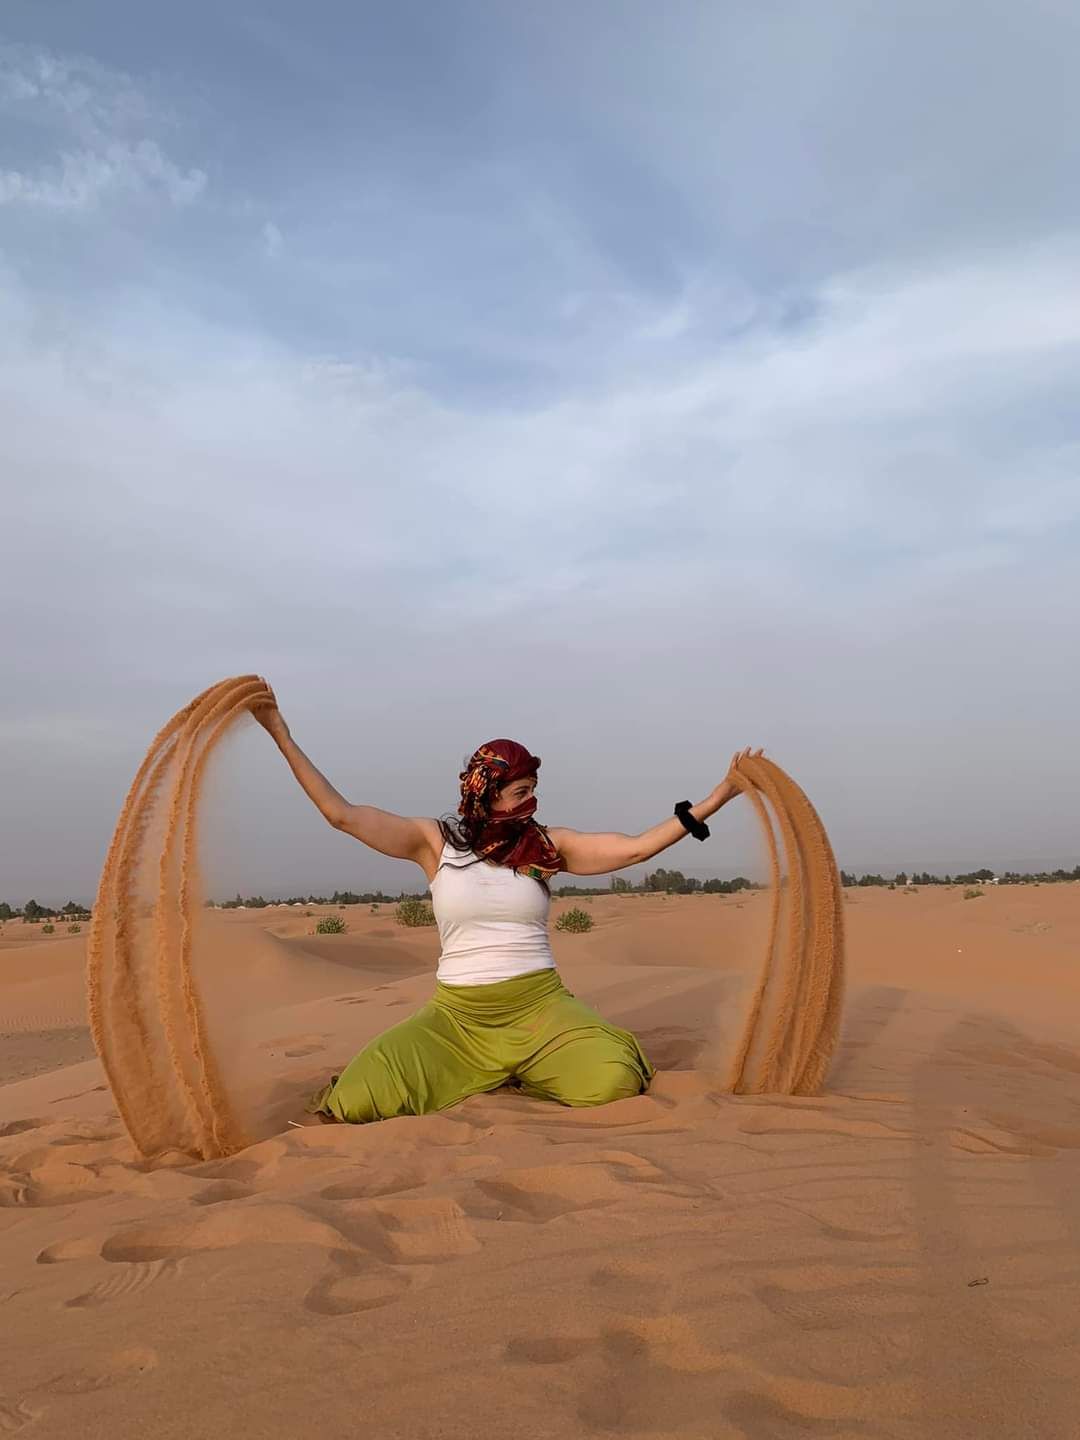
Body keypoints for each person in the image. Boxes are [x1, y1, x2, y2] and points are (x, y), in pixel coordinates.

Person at [252, 688, 758, 1124]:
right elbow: (340, 814)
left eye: (534, 790)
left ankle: (528, 1070)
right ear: (487, 791)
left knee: (614, 1079)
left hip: (540, 1009)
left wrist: (718, 797)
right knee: (358, 1098)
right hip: (457, 1019)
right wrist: (279, 731)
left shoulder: (546, 845)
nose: (529, 802)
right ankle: (482, 1072)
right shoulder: (435, 843)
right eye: (519, 791)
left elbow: (636, 847)